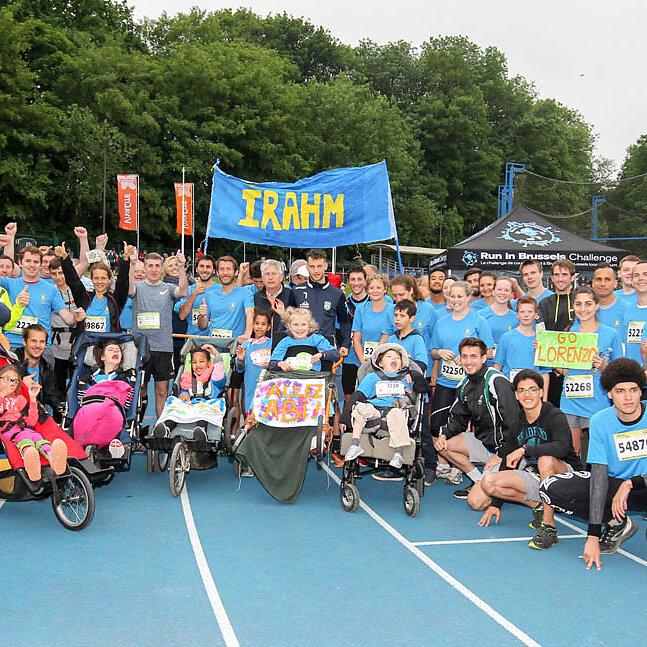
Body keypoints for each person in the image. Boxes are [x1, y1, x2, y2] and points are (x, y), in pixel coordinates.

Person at [540, 358, 647, 569]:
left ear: (640, 392)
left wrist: (632, 483)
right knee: (550, 488)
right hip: (615, 488)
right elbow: (599, 477)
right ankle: (617, 523)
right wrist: (593, 535)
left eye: (633, 390)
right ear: (609, 394)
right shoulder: (600, 421)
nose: (628, 397)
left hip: (642, 485)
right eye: (620, 391)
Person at [472, 369, 580, 550]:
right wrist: (496, 504)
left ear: (541, 392)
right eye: (522, 390)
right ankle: (539, 506)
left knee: (545, 460)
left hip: (565, 477)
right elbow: (507, 460)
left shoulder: (554, 415)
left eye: (532, 389)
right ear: (516, 395)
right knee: (489, 483)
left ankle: (549, 527)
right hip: (537, 476)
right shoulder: (517, 422)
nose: (527, 395)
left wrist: (525, 449)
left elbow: (562, 448)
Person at [433, 337, 518, 500]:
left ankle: (510, 476)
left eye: (473, 356)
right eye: (464, 357)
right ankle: (478, 480)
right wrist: (443, 435)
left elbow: (513, 423)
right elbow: (457, 419)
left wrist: (501, 454)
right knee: (443, 445)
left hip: (507, 449)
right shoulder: (464, 384)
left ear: (484, 358)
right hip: (484, 443)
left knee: (476, 502)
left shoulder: (496, 381)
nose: (468, 362)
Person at [558, 286, 622, 457]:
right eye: (578, 304)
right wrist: (542, 352)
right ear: (573, 307)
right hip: (571, 400)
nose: (583, 309)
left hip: (597, 400)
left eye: (588, 304)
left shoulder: (611, 334)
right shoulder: (567, 334)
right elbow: (564, 370)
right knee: (572, 451)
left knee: (597, 452)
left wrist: (605, 366)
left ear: (596, 305)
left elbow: (619, 372)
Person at [342, 344, 427, 469]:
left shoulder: (406, 378)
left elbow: (424, 388)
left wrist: (415, 375)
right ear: (380, 363)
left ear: (402, 364)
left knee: (397, 413)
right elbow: (357, 396)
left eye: (398, 358)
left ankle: (398, 453)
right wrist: (344, 418)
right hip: (373, 412)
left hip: (396, 411)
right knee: (360, 407)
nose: (394, 359)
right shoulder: (372, 377)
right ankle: (355, 444)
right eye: (389, 357)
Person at [129, 250, 188, 417]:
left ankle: (160, 426)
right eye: (150, 266)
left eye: (157, 266)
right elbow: (129, 290)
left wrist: (181, 267)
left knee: (162, 391)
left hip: (163, 347)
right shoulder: (138, 288)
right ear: (145, 268)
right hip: (141, 348)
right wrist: (131, 265)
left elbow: (183, 292)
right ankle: (137, 423)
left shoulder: (168, 288)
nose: (154, 270)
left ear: (162, 269)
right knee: (140, 388)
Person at [0, 246, 86, 357]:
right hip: (12, 345)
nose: (32, 265)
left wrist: (75, 318)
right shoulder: (8, 283)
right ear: (20, 263)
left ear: (41, 265)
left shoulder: (51, 289)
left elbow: (67, 318)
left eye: (36, 262)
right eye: (28, 261)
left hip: (40, 348)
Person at [0, 364, 67, 481]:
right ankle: (31, 463)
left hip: (25, 429)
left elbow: (31, 421)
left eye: (15, 381)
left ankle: (54, 459)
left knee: (38, 438)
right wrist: (2, 395)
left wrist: (32, 399)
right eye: (7, 379)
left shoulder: (19, 400)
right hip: (8, 432)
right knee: (25, 439)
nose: (11, 383)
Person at [152, 344, 227, 441]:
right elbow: (184, 391)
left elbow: (220, 373)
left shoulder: (215, 378)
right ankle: (166, 429)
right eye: (194, 362)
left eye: (201, 362)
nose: (198, 365)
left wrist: (216, 354)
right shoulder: (188, 378)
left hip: (207, 405)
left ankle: (201, 431)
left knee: (204, 413)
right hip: (191, 405)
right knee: (175, 406)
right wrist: (183, 394)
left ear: (209, 363)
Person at [75, 341, 138, 457]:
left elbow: (126, 403)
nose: (115, 352)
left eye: (118, 350)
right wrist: (82, 383)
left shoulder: (125, 377)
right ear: (102, 357)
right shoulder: (90, 377)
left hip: (112, 411)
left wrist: (132, 381)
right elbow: (82, 400)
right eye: (111, 350)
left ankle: (116, 447)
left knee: (116, 423)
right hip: (90, 410)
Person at [292, 249, 350, 355]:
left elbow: (344, 322)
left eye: (319, 266)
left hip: (327, 347)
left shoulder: (337, 294)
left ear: (326, 266)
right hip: (301, 346)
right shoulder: (296, 291)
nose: (316, 270)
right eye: (312, 266)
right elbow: (288, 320)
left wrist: (345, 344)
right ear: (307, 267)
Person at [494, 296, 550, 397]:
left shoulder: (541, 341)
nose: (526, 315)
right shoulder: (506, 338)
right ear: (517, 314)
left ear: (536, 315)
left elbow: (545, 372)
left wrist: (545, 399)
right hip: (510, 389)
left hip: (533, 391)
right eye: (522, 312)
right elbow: (497, 366)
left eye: (530, 312)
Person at [538, 260, 576, 406]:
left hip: (575, 367)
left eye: (564, 275)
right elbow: (540, 333)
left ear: (573, 277)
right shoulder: (544, 303)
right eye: (557, 275)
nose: (560, 279)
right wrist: (553, 365)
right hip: (550, 369)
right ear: (552, 278)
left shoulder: (579, 301)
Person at [14, 324, 64, 421]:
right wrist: (21, 384)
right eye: (33, 341)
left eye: (42, 342)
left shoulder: (46, 367)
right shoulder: (12, 364)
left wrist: (61, 407)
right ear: (24, 342)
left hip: (36, 417)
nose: (38, 345)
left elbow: (51, 395)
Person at [269, 307, 340, 372]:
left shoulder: (317, 339)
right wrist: (280, 363)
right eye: (295, 325)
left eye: (303, 324)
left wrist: (321, 354)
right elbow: (272, 364)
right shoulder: (285, 342)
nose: (300, 328)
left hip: (313, 377)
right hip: (290, 376)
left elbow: (336, 355)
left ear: (309, 325)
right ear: (289, 326)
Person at [235, 309, 272, 417]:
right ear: (253, 325)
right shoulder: (246, 345)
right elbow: (239, 369)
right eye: (257, 323)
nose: (259, 327)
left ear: (268, 327)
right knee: (251, 415)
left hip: (267, 385)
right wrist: (241, 359)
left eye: (263, 324)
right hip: (251, 386)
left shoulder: (271, 343)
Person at [48, 257, 78, 394]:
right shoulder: (50, 292)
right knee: (58, 381)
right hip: (57, 344)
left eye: (61, 273)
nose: (58, 277)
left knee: (75, 380)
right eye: (54, 274)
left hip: (75, 343)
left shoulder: (76, 290)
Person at [351, 274, 393, 366]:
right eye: (371, 288)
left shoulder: (393, 310)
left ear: (385, 289)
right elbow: (356, 340)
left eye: (378, 288)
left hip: (388, 363)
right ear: (367, 290)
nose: (375, 291)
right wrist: (364, 364)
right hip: (365, 362)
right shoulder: (361, 310)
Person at [341, 265, 369, 402]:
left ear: (365, 281)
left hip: (370, 357)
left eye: (359, 279)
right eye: (353, 279)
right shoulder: (343, 304)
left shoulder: (376, 302)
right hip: (349, 356)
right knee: (349, 395)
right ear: (348, 282)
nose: (356, 283)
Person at [177, 254, 217, 337]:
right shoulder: (188, 290)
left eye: (208, 267)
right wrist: (194, 294)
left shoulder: (221, 290)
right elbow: (182, 316)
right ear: (196, 270)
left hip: (214, 339)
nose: (204, 270)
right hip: (193, 339)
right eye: (201, 266)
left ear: (214, 271)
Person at [481, 277, 518, 364]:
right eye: (499, 289)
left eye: (506, 290)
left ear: (511, 294)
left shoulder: (517, 318)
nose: (502, 293)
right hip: (485, 366)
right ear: (493, 292)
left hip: (508, 366)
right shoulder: (481, 315)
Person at [253, 259, 296, 334]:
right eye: (267, 274)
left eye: (274, 274)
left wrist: (284, 315)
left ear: (281, 277)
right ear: (262, 278)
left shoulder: (292, 295)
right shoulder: (255, 298)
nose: (270, 278)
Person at [385, 300, 428, 372]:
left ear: (412, 319)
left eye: (402, 316)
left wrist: (408, 372)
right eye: (396, 315)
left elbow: (422, 364)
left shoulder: (417, 339)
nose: (397, 319)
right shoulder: (391, 339)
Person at [621, 260, 647, 364]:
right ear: (632, 281)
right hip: (631, 370)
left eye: (645, 274)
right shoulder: (627, 311)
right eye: (636, 275)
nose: (641, 278)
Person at [592, 262, 628, 332]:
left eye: (607, 279)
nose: (602, 284)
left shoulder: (627, 309)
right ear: (593, 283)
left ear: (615, 283)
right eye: (599, 279)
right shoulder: (585, 309)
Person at [119, 260, 145, 331]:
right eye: (135, 271)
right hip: (122, 333)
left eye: (143, 272)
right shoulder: (121, 291)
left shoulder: (150, 293)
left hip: (142, 333)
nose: (139, 274)